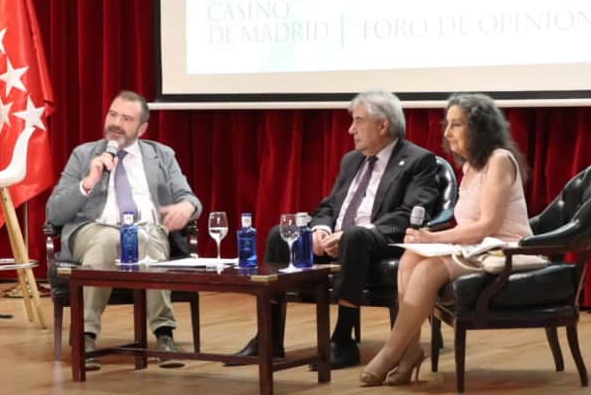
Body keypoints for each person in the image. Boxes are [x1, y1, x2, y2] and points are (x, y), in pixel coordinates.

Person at [227, 90, 439, 369]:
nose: (351, 129)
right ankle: (269, 338)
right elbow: (329, 206)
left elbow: (409, 214)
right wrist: (320, 229)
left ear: (382, 125)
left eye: (358, 121)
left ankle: (343, 340)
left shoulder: (418, 160)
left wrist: (357, 231)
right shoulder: (352, 160)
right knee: (280, 234)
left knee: (355, 236)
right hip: (339, 238)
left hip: (380, 240)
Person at [358, 93, 533, 386]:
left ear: (479, 128)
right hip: (478, 247)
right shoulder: (470, 166)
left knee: (428, 269)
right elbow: (470, 226)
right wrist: (427, 241)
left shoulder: (499, 160)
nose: (447, 133)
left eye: (457, 124)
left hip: (505, 249)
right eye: (447, 124)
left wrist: (433, 237)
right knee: (411, 257)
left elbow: (487, 225)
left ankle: (391, 352)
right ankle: (411, 351)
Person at [46, 90, 202, 370]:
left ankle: (164, 333)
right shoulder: (83, 154)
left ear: (142, 128)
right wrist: (88, 182)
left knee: (147, 240)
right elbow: (54, 212)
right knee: (108, 239)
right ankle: (86, 335)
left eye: (126, 119)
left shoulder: (161, 155)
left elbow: (190, 198)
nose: (116, 123)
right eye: (113, 114)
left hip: (147, 228)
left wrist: (186, 208)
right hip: (94, 229)